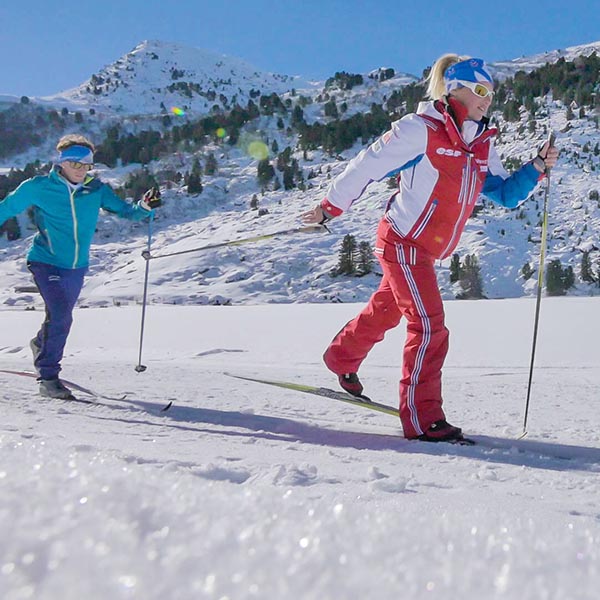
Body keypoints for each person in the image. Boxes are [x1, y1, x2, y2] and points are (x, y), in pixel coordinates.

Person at [302, 55, 559, 443]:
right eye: (479, 90)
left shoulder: (481, 145)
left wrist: (537, 166)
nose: (487, 99)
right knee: (428, 326)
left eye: (491, 92)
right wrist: (329, 207)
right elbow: (366, 166)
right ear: (454, 88)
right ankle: (423, 420)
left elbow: (506, 195)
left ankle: (340, 357)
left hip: (426, 251)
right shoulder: (420, 129)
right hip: (402, 241)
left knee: (385, 311)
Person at [0, 134, 162, 400]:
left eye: (85, 164)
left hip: (76, 267)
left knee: (58, 317)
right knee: (62, 315)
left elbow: (126, 211)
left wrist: (144, 206)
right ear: (62, 162)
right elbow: (5, 209)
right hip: (45, 261)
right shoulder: (38, 187)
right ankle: (48, 377)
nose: (79, 169)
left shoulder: (96, 190)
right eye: (74, 163)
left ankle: (41, 344)